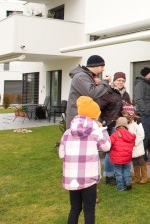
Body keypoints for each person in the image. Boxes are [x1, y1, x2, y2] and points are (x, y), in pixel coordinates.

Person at [59, 96, 111, 224]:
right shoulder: (96, 132)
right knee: (89, 210)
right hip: (89, 177)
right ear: (94, 116)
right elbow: (106, 146)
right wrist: (102, 130)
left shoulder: (67, 133)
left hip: (72, 178)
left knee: (75, 208)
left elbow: (61, 154)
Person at [97, 71, 132, 185]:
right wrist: (100, 121)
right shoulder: (108, 92)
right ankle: (109, 175)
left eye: (123, 80)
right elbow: (99, 106)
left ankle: (118, 174)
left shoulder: (125, 94)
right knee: (110, 150)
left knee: (119, 150)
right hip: (110, 124)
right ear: (114, 81)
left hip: (122, 125)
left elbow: (129, 107)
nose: (121, 82)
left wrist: (130, 114)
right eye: (118, 80)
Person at [66, 55, 111, 129]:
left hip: (84, 118)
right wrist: (105, 82)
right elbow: (91, 93)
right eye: (102, 66)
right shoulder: (81, 77)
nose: (103, 69)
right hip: (79, 120)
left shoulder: (86, 76)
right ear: (94, 66)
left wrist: (100, 84)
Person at [134, 67, 150, 165]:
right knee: (144, 136)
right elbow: (139, 99)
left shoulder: (147, 84)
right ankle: (142, 160)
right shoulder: (141, 84)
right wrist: (146, 111)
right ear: (146, 74)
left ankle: (144, 158)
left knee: (146, 136)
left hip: (148, 114)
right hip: (145, 115)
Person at [122, 104, 147, 184]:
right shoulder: (127, 124)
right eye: (123, 114)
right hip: (131, 147)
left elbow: (141, 135)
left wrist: (134, 143)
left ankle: (144, 177)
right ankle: (137, 177)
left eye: (125, 114)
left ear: (130, 114)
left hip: (137, 146)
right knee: (134, 162)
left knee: (140, 161)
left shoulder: (137, 123)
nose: (124, 116)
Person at [110, 117, 136, 191]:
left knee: (118, 172)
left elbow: (109, 143)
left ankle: (120, 187)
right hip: (127, 157)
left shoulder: (115, 134)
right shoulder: (130, 134)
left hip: (117, 158)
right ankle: (128, 182)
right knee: (126, 170)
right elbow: (133, 144)